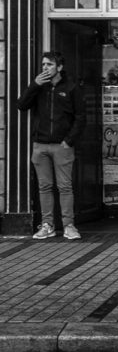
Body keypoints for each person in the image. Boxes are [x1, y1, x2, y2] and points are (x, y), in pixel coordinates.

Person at [17, 51, 86, 239]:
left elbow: (80, 117)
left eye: (49, 65)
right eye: (43, 65)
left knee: (65, 187)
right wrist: (34, 85)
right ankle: (47, 225)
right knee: (44, 187)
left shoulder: (71, 87)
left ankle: (69, 225)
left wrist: (68, 141)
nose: (45, 68)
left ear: (59, 68)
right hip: (40, 145)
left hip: (61, 146)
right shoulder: (40, 86)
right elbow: (22, 105)